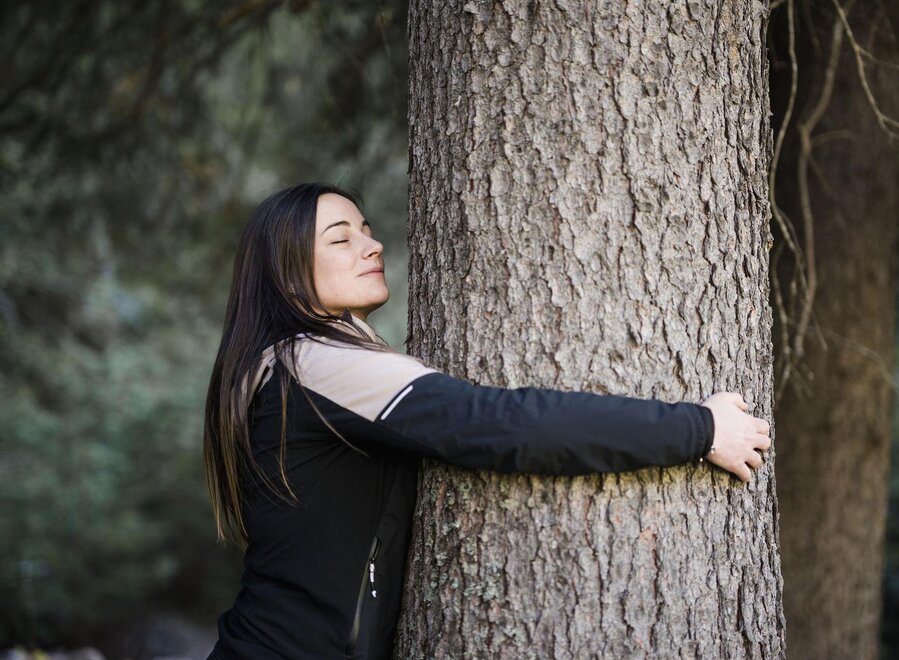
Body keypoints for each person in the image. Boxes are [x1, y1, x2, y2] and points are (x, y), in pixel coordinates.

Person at [203, 182, 772, 659]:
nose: (372, 245)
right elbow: (505, 425)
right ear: (286, 271)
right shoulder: (318, 366)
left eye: (366, 230)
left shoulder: (282, 367)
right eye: (340, 238)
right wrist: (699, 429)